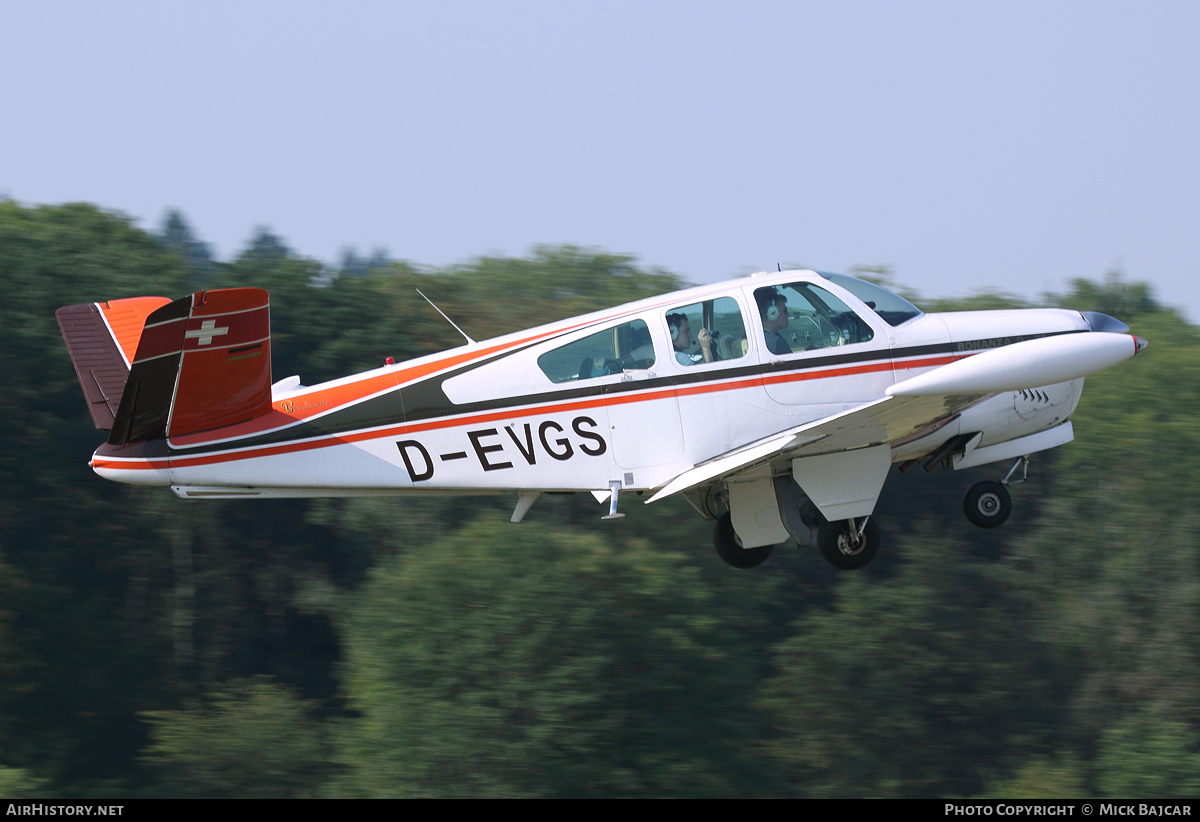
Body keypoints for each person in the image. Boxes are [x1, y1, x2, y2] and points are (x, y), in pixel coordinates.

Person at [755, 288, 792, 355]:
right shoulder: (776, 342)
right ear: (773, 312)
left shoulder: (758, 338)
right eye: (785, 311)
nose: (788, 315)